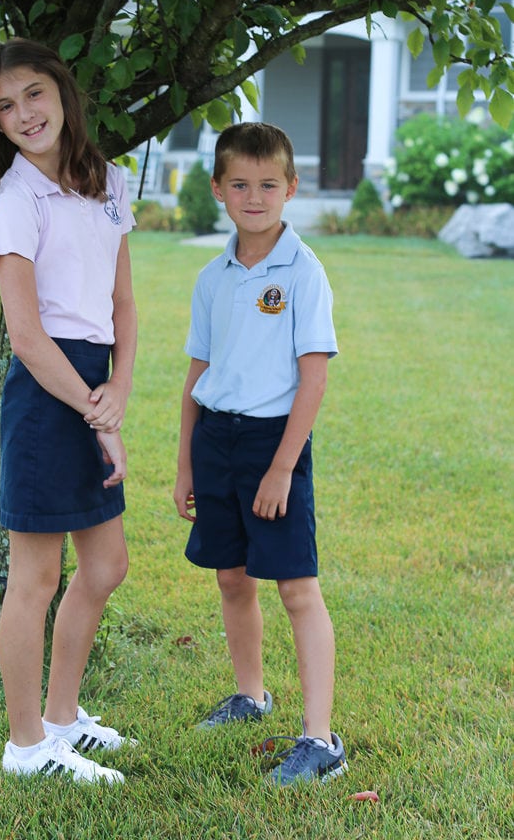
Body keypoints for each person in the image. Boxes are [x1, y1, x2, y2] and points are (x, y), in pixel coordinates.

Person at [0, 38, 137, 784]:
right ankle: (26, 744)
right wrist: (99, 413)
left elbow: (122, 304)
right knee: (35, 581)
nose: (23, 113)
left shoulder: (109, 184)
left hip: (95, 381)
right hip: (46, 398)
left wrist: (119, 392)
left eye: (32, 93)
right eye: (4, 106)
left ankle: (63, 718)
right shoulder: (14, 202)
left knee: (104, 565)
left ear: (62, 92)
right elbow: (28, 337)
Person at [173, 122, 347, 787]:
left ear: (290, 188)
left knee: (296, 587)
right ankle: (250, 695)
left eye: (267, 184)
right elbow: (196, 375)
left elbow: (315, 377)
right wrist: (186, 462)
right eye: (239, 184)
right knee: (230, 576)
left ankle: (319, 738)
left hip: (275, 444)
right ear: (218, 189)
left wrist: (279, 467)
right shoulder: (211, 277)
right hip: (216, 440)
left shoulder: (303, 272)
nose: (253, 196)